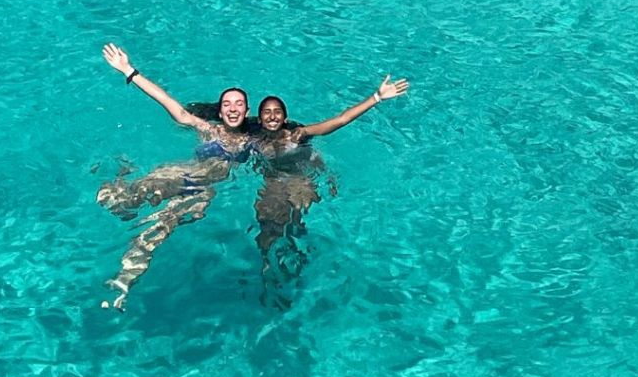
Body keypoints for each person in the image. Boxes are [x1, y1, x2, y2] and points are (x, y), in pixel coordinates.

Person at [98, 43, 251, 309]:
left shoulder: (256, 138)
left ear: (247, 111)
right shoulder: (208, 129)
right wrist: (129, 70)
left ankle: (123, 281)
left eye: (239, 104)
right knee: (119, 201)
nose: (233, 108)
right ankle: (122, 176)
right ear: (220, 111)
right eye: (227, 103)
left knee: (158, 230)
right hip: (179, 173)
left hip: (201, 190)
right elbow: (171, 105)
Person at [249, 78, 409, 271]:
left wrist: (377, 97)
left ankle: (295, 258)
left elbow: (340, 120)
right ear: (259, 119)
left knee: (294, 224)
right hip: (273, 182)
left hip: (300, 180)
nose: (272, 116)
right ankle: (267, 265)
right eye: (267, 112)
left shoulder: (298, 134)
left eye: (277, 112)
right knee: (268, 225)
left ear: (285, 117)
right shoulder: (254, 138)